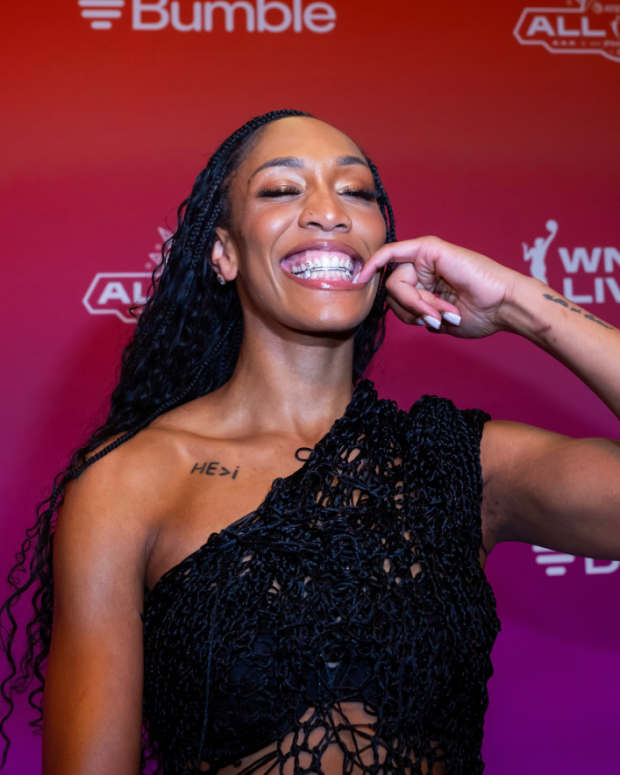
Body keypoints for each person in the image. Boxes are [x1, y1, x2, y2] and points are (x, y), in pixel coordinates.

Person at [1, 109, 619, 775]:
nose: (329, 211)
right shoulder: (129, 481)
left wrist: (522, 305)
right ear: (225, 250)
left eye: (356, 191)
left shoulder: (457, 463)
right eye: (281, 190)